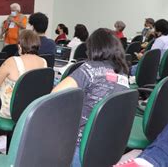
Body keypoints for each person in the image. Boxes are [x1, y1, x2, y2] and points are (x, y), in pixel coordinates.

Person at [52, 28, 130, 167]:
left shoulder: (89, 69)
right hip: (108, 145)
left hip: (80, 147)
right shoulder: (123, 75)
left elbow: (52, 97)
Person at [0, 30, 47, 119]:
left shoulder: (12, 61)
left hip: (9, 110)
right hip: (31, 108)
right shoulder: (43, 62)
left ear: (20, 46)